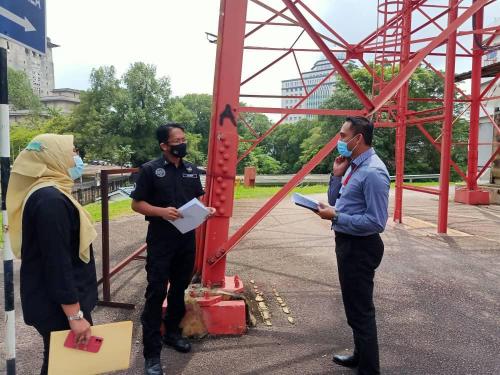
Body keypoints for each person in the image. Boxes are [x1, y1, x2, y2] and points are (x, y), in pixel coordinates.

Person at [6, 134, 98, 375]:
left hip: (57, 302)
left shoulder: (48, 193)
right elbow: (57, 263)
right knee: (67, 365)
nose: (76, 157)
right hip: (59, 307)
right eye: (72, 152)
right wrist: (75, 316)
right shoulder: (50, 200)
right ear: (53, 157)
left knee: (64, 362)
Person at [131, 123, 215, 375]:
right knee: (156, 292)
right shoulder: (150, 170)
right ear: (164, 146)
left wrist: (205, 211)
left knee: (179, 289)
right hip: (161, 240)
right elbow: (137, 204)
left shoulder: (191, 170)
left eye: (184, 139)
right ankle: (152, 353)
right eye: (177, 140)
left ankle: (173, 333)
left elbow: (196, 201)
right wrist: (160, 212)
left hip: (186, 239)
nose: (182, 143)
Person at [316, 116, 390, 375]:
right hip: (348, 243)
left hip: (361, 247)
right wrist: (337, 176)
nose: (339, 141)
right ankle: (360, 356)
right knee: (354, 308)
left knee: (361, 311)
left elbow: (376, 222)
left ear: (358, 139)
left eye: (343, 136)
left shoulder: (373, 172)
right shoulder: (353, 166)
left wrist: (337, 217)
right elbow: (338, 200)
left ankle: (369, 369)